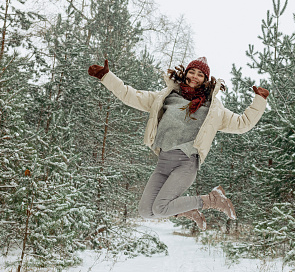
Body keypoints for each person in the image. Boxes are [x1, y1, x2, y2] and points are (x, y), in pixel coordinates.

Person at [88, 57, 269, 230]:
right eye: (192, 72)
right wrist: (106, 77)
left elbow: (242, 123)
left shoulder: (213, 108)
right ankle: (187, 210)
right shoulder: (166, 97)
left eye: (200, 74)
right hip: (164, 162)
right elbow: (131, 95)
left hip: (186, 162)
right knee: (145, 211)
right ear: (185, 74)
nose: (195, 77)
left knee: (160, 208)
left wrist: (259, 100)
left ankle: (214, 199)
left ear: (206, 79)